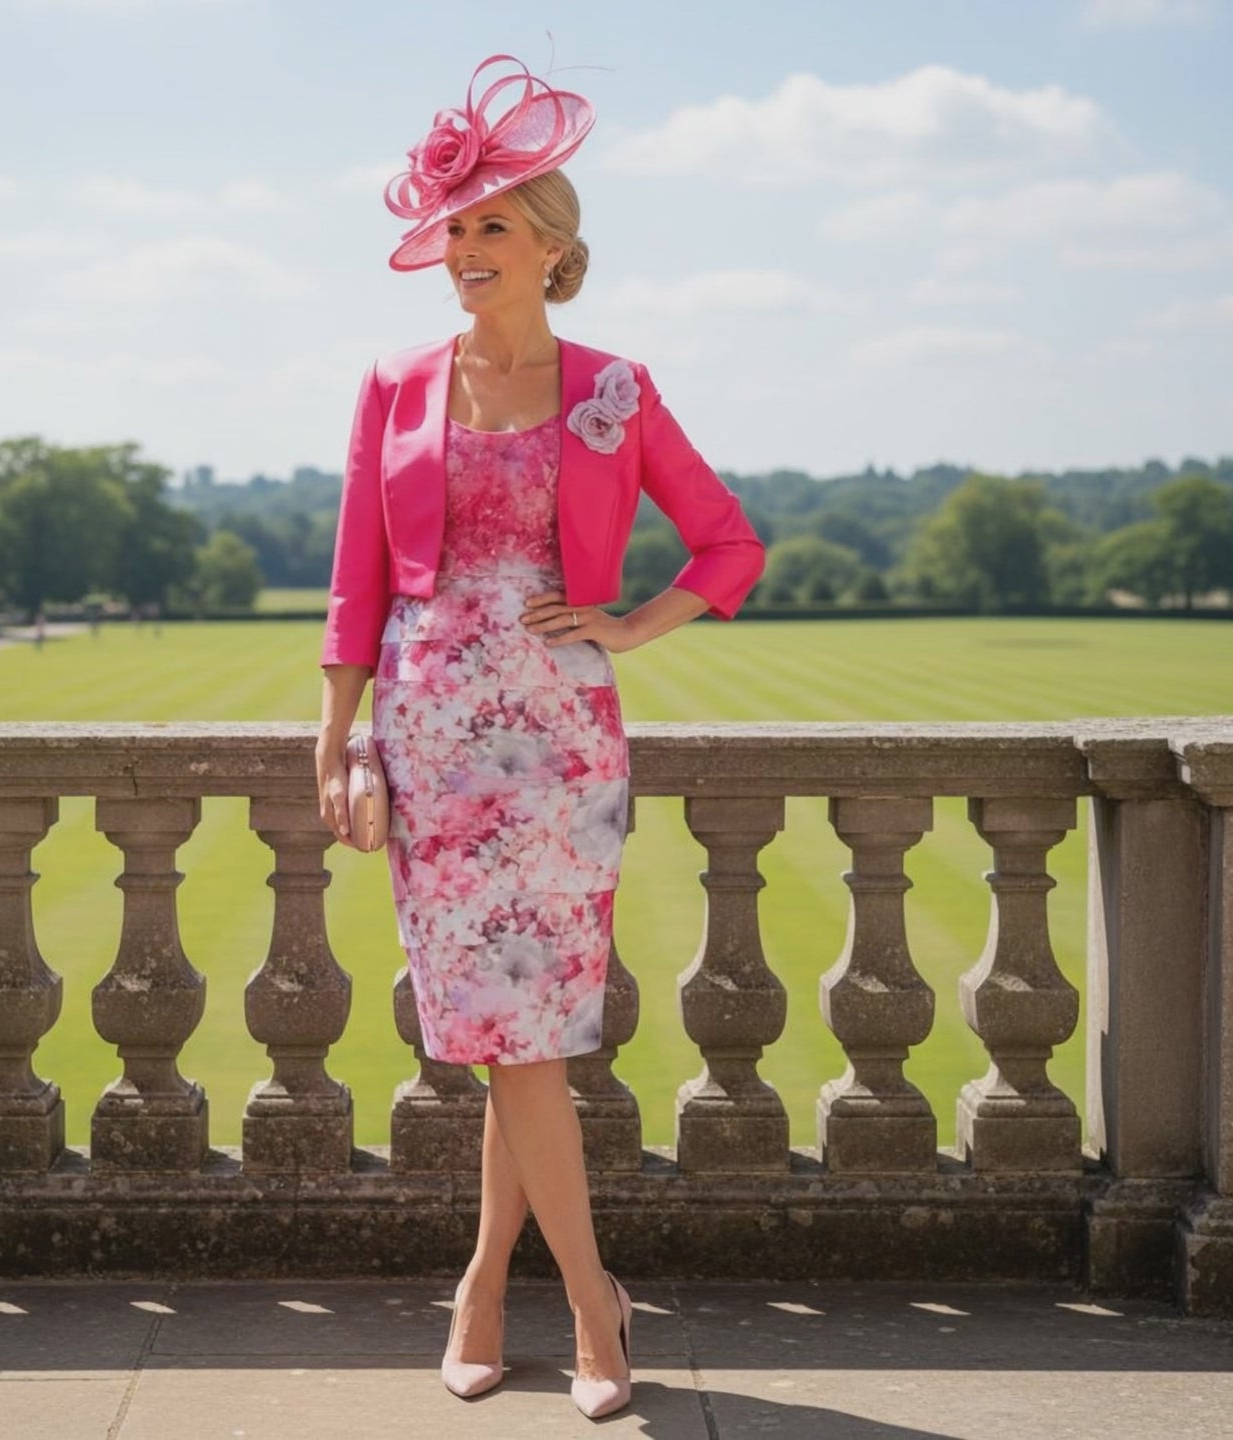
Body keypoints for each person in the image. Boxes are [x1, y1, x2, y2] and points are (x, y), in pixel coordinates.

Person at [316, 55, 765, 1421]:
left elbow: (730, 544)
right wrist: (337, 741)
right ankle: (545, 1296)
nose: (465, 248)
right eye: (455, 226)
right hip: (433, 733)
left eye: (492, 225)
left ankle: (553, 1301)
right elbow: (355, 581)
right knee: (503, 1036)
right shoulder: (395, 382)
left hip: (564, 744)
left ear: (552, 247)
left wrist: (628, 628)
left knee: (528, 1040)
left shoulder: (613, 387)